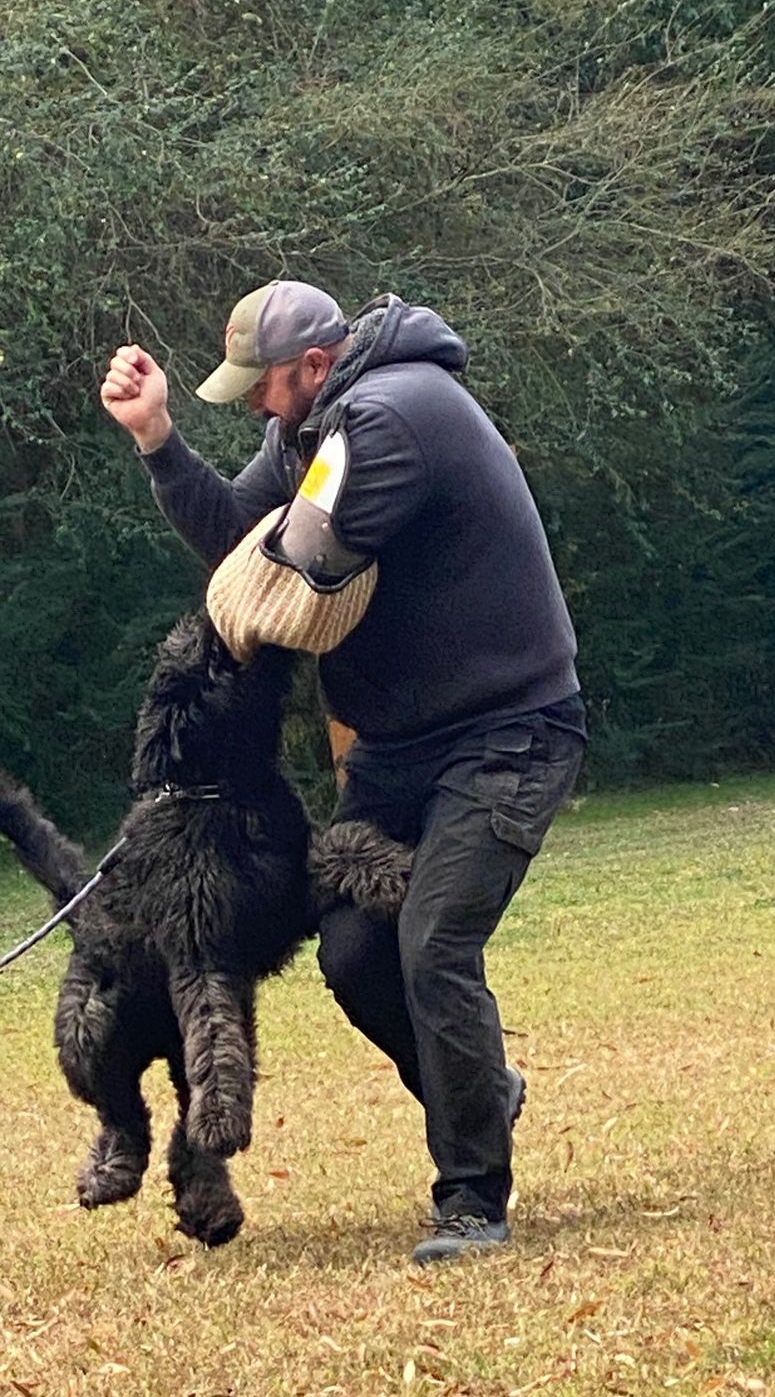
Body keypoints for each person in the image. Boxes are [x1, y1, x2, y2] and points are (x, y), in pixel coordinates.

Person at [99, 280, 585, 1264]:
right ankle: (482, 1093)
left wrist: (226, 621)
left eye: (263, 391)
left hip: (506, 732)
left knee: (433, 943)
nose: (256, 410)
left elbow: (299, 564)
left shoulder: (395, 414)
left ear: (313, 365)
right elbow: (243, 532)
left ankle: (472, 1200)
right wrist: (157, 439)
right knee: (356, 956)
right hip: (397, 750)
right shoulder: (317, 424)